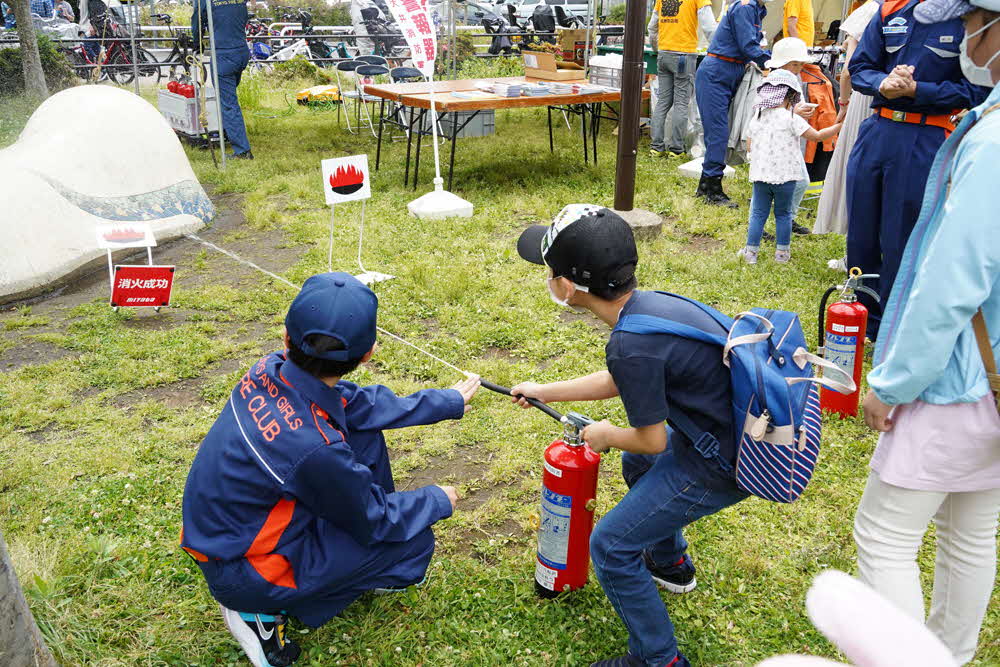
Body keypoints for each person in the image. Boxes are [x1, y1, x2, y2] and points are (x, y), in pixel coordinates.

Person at [180, 273, 480, 667]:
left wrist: (444, 402)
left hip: (226, 533)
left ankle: (336, 557)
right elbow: (377, 519)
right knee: (413, 542)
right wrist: (436, 499)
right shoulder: (315, 448)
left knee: (365, 436)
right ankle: (258, 613)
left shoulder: (268, 369)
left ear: (286, 338)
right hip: (247, 570)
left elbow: (354, 406)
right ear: (369, 353)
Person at [511, 205, 748, 667]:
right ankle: (670, 563)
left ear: (566, 285)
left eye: (549, 269)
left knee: (612, 546)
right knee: (639, 467)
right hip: (728, 434)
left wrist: (606, 434)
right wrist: (545, 390)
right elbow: (622, 378)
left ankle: (657, 658)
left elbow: (652, 440)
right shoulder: (648, 309)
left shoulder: (630, 342)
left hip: (725, 462)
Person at [854, 0, 1000, 661]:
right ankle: (950, 653)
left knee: (883, 537)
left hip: (954, 377)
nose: (967, 36)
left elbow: (950, 281)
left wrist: (891, 381)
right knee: (971, 534)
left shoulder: (992, 143)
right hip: (993, 383)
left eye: (975, 24)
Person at [844, 0, 990, 339]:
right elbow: (861, 65)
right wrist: (883, 83)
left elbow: (977, 89)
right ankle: (863, 320)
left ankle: (894, 327)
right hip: (877, 129)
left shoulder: (968, 16)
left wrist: (917, 90)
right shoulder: (889, 10)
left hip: (926, 135)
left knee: (902, 237)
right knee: (861, 232)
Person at [737, 69, 841, 264]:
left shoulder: (758, 117)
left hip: (761, 175)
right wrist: (839, 126)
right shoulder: (791, 118)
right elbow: (816, 136)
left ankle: (750, 253)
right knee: (783, 214)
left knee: (758, 214)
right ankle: (782, 255)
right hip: (786, 177)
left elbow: (749, 144)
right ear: (791, 96)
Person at [695, 0, 771, 207]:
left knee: (722, 131)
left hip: (732, 70)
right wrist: (775, 63)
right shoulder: (746, 7)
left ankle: (705, 185)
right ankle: (712, 189)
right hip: (717, 72)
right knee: (718, 132)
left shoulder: (759, 9)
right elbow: (748, 45)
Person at [812, 0, 879, 236]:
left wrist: (843, 103)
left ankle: (849, 234)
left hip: (863, 97)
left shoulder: (869, 10)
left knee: (853, 163)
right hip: (887, 97)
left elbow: (848, 70)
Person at [647, 0, 717, 157]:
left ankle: (656, 147)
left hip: (664, 53)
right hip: (684, 54)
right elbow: (709, 27)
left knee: (663, 101)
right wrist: (718, 49)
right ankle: (676, 149)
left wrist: (657, 48)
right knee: (681, 103)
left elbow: (652, 27)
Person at [192, 0, 254, 159]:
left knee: (228, 105)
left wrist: (197, 43)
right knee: (230, 100)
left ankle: (242, 151)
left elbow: (197, 22)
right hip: (241, 51)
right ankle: (231, 131)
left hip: (224, 55)